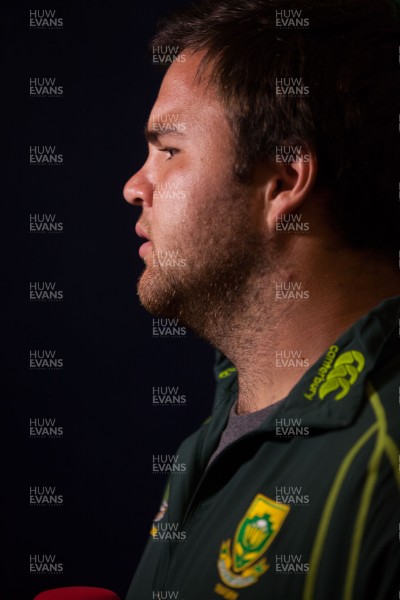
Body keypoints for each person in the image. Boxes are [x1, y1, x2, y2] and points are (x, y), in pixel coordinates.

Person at [123, 0, 400, 598]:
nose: (134, 186)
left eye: (168, 151)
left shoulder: (385, 459)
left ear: (283, 181)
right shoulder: (213, 438)